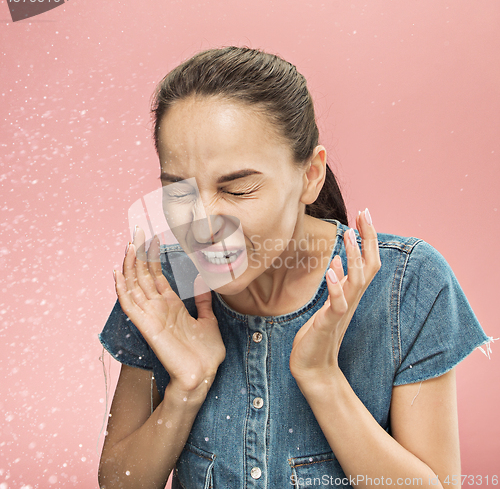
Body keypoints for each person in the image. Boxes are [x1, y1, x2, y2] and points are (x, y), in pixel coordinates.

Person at [97, 46, 491, 489]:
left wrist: (323, 379)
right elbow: (119, 482)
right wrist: (185, 390)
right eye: (180, 192)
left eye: (238, 189)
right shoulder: (164, 290)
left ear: (310, 176)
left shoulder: (406, 286)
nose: (202, 226)